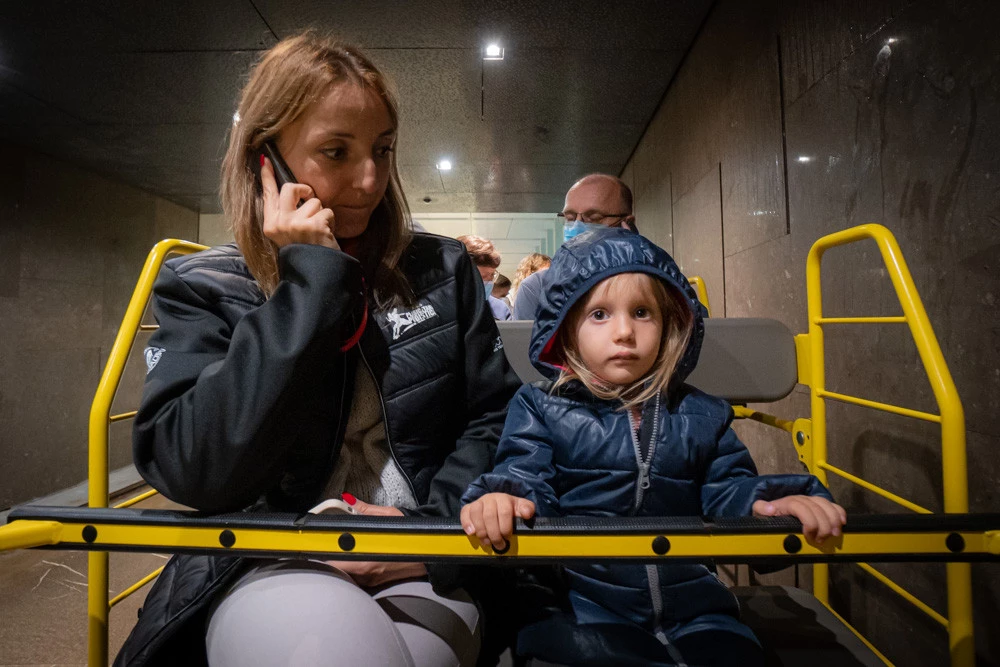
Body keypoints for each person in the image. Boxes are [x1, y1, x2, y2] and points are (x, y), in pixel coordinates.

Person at [115, 33, 521, 667]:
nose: (369, 181)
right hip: (271, 553)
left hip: (426, 553)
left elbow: (494, 416)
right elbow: (195, 468)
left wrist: (427, 537)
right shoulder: (202, 285)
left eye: (382, 151)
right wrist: (310, 285)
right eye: (336, 152)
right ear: (266, 162)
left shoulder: (442, 269)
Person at [460, 227, 846, 666]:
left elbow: (727, 489)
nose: (624, 331)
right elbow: (528, 477)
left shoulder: (702, 413)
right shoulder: (541, 407)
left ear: (670, 325)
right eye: (599, 314)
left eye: (642, 312)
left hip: (696, 608)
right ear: (566, 328)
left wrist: (769, 504)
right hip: (580, 607)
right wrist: (506, 499)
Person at [512, 173, 635, 320]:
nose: (576, 227)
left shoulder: (648, 282)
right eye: (569, 218)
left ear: (626, 223)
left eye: (593, 218)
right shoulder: (538, 288)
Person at [457, 234, 511, 321]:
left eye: (492, 275)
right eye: (483, 276)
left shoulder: (500, 310)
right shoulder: (440, 308)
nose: (489, 282)